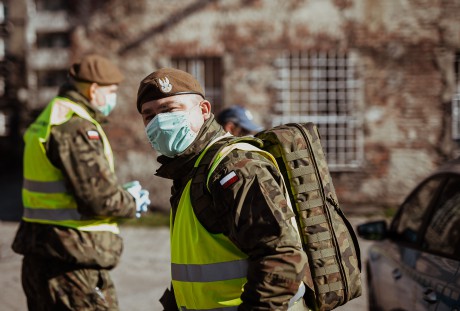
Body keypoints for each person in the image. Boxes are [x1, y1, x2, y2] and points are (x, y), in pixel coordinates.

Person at [137, 68, 309, 310]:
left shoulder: (235, 166)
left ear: (204, 110)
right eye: (149, 115)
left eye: (169, 110)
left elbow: (281, 258)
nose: (159, 122)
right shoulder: (190, 170)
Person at [12, 54, 150, 310]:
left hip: (44, 252)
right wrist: (131, 201)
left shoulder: (51, 116)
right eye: (111, 91)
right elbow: (98, 198)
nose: (114, 98)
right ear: (94, 90)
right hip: (72, 261)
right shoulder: (75, 127)